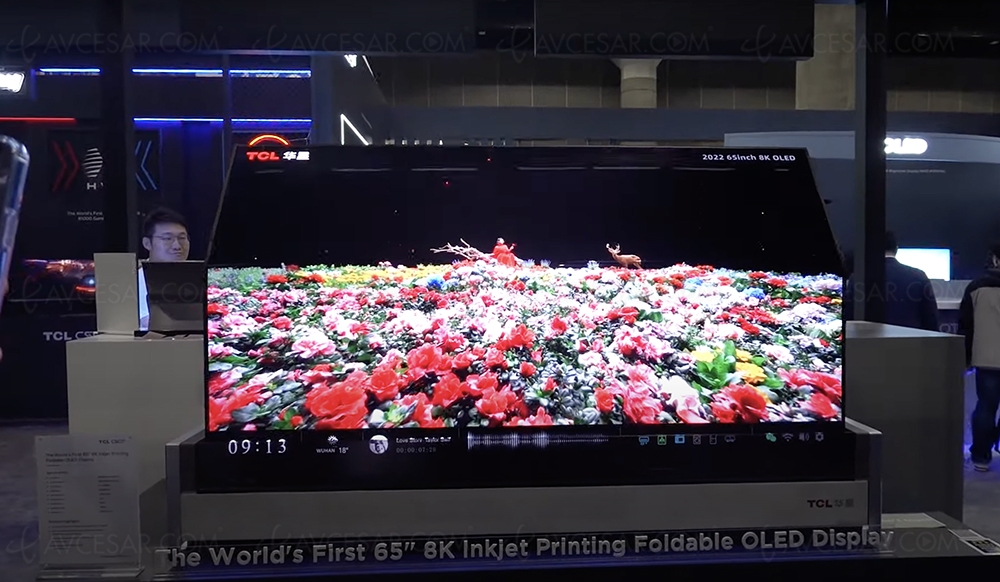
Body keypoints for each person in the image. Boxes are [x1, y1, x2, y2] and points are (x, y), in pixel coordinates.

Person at [844, 232, 939, 331]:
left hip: (869, 339)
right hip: (909, 338)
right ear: (896, 249)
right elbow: (931, 319)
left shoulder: (858, 277)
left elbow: (848, 315)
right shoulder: (919, 276)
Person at [959, 243, 1000, 472]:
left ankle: (980, 457)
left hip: (987, 357)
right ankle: (995, 441)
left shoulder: (977, 287)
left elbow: (966, 326)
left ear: (995, 259)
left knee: (986, 407)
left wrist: (965, 358)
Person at [138, 208, 190, 329]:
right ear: (147, 243)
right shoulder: (134, 282)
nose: (177, 246)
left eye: (182, 238)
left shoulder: (201, 277)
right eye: (167, 238)